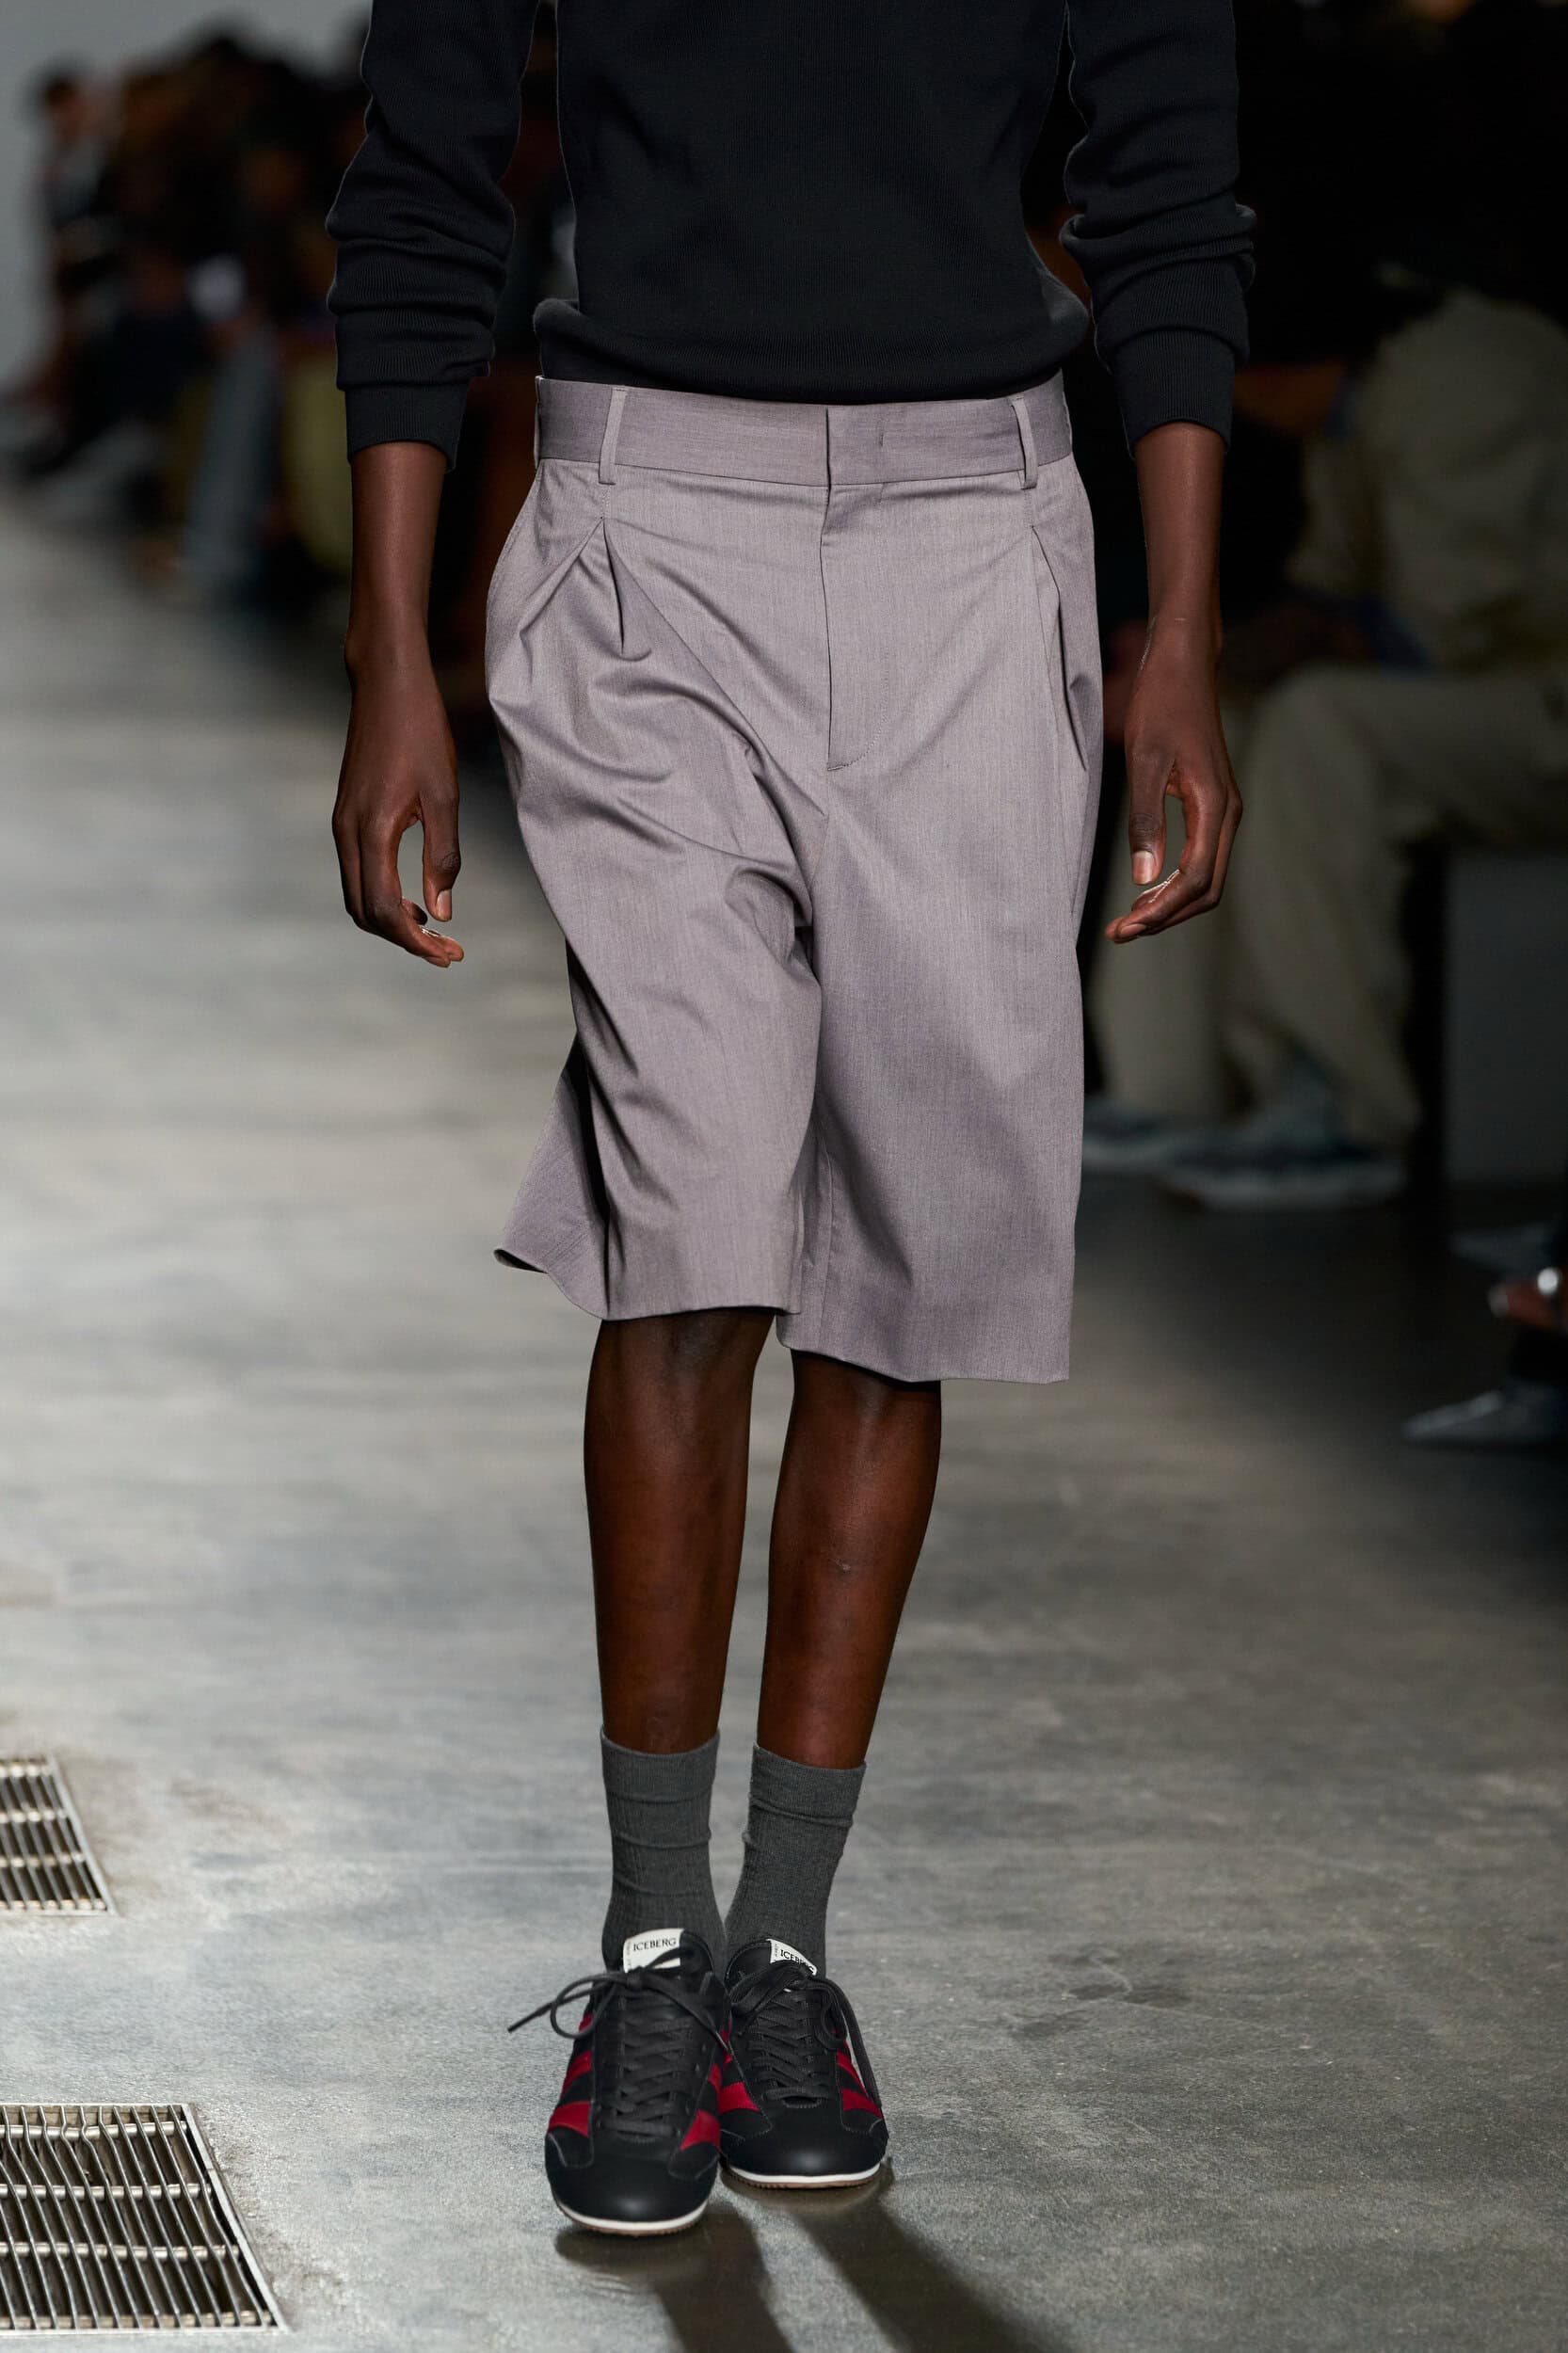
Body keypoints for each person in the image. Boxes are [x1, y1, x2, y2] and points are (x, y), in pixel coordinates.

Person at [326, 0, 1250, 2236]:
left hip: (981, 533)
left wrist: (1180, 629)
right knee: (686, 1232)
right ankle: (656, 1944)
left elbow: (1164, 180)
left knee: (899, 1273)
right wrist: (390, 651)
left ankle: (784, 1957)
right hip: (641, 525)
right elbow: (421, 181)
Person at [1087, 280, 1568, 1209]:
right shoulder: (1363, 405)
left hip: (1544, 699)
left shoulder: (1453, 378)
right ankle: (1166, 1087)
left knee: (1321, 724)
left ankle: (1342, 1105)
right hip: (1487, 687)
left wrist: (1204, 661)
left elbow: (1426, 632)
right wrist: (1181, 678)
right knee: (1204, 728)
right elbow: (1329, 601)